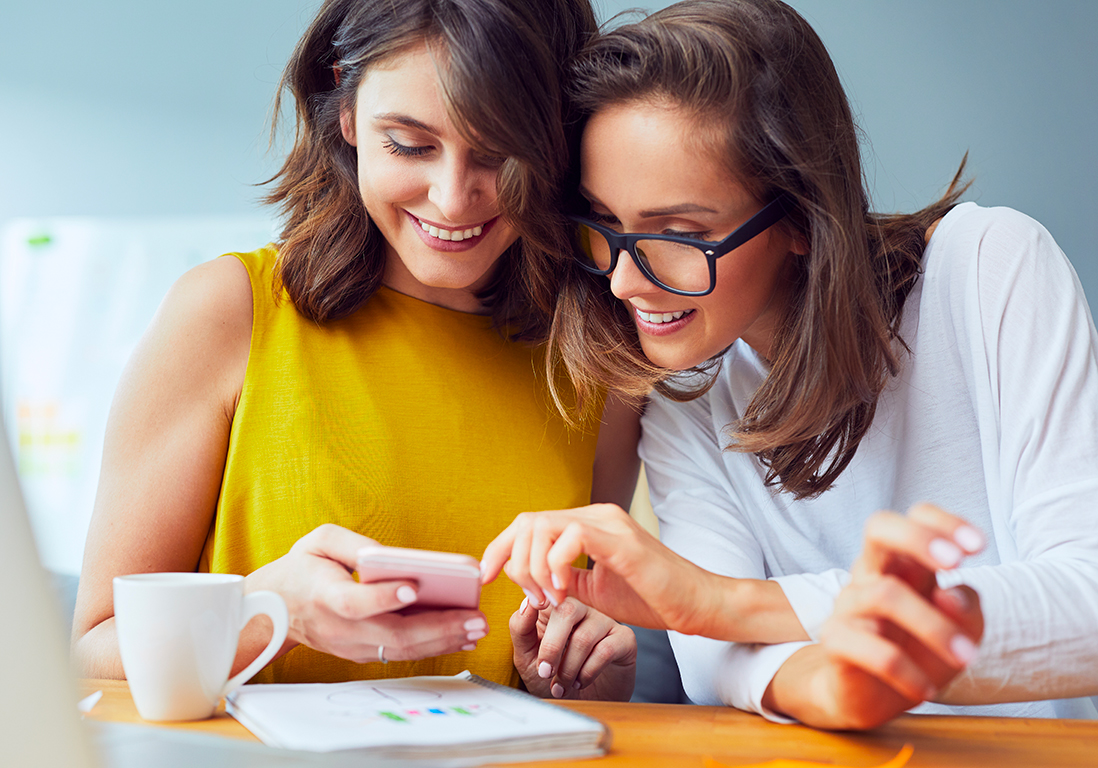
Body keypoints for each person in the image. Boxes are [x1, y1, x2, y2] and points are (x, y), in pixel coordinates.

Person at [482, 0, 1098, 729]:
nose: (622, 281)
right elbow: (715, 659)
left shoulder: (991, 270)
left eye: (679, 233)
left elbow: (1087, 604)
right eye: (606, 224)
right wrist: (833, 686)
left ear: (803, 219)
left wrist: (721, 602)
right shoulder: (688, 382)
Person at [71, 0, 638, 702]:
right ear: (345, 110)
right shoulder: (228, 312)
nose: (453, 198)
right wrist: (266, 613)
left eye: (499, 153)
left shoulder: (598, 369)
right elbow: (93, 646)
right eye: (409, 143)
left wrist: (587, 672)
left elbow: (555, 665)